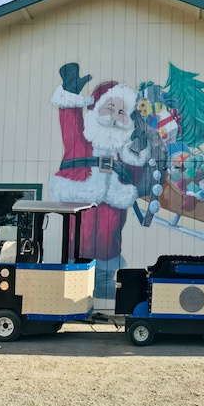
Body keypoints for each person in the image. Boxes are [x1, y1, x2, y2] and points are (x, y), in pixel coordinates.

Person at [50, 63, 158, 300]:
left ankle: (103, 278)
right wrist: (71, 93)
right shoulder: (81, 139)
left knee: (110, 234)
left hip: (113, 196)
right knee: (80, 233)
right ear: (96, 108)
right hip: (80, 191)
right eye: (110, 108)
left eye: (122, 112)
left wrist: (138, 152)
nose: (115, 117)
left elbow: (135, 173)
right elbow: (70, 122)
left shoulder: (123, 147)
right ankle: (75, 273)